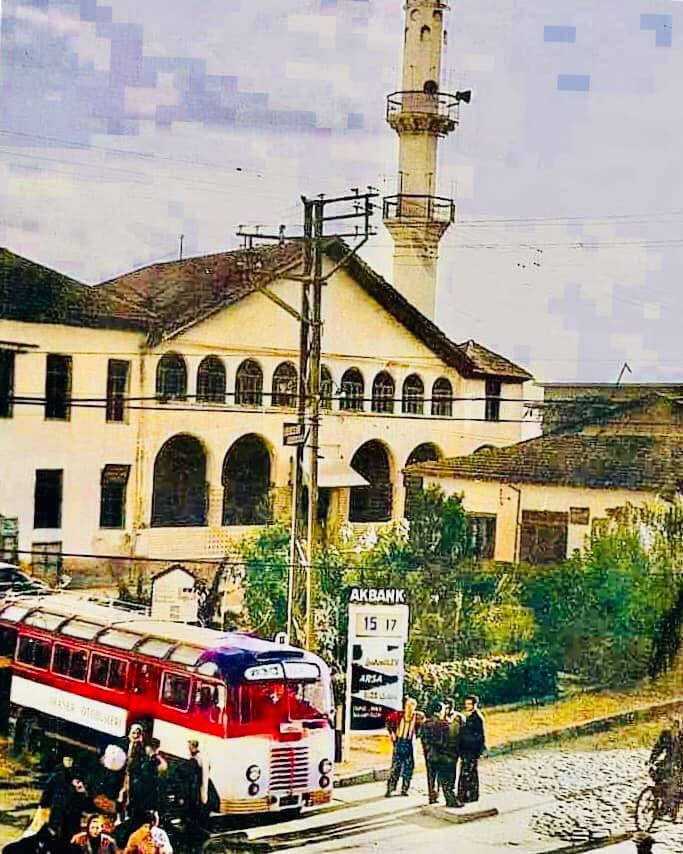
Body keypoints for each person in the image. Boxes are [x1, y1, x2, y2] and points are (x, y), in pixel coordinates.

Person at [40, 755, 92, 844]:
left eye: (70, 760)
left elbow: (86, 805)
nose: (68, 762)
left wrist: (83, 792)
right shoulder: (55, 776)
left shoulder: (78, 778)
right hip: (59, 819)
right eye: (67, 759)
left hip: (70, 820)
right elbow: (45, 799)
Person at [385, 697, 421, 798]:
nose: (410, 708)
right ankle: (390, 789)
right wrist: (392, 733)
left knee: (408, 768)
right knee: (395, 768)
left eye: (412, 706)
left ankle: (404, 789)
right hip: (399, 742)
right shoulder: (398, 715)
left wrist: (417, 736)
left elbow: (422, 727)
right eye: (408, 705)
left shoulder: (417, 717)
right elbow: (388, 721)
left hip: (409, 744)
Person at [648, 717, 683, 816]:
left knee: (674, 785)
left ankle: (668, 807)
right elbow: (658, 748)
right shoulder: (666, 735)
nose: (675, 726)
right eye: (673, 724)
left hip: (680, 765)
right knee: (658, 778)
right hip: (668, 763)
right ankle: (659, 802)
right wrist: (652, 760)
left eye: (677, 724)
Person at [457, 694, 486, 805]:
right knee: (467, 772)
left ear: (475, 705)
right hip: (466, 749)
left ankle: (469, 795)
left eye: (469, 704)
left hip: (472, 750)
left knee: (469, 773)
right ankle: (466, 795)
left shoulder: (477, 718)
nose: (467, 706)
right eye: (466, 704)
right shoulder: (469, 716)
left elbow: (480, 736)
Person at [419, 700, 447, 804]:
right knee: (441, 776)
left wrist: (427, 750)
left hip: (429, 753)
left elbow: (423, 739)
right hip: (440, 753)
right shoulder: (443, 723)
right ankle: (438, 795)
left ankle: (432, 796)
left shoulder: (425, 723)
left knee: (430, 776)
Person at [436, 704, 464, 808]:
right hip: (447, 753)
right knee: (448, 777)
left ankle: (449, 799)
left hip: (446, 753)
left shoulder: (454, 719)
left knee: (447, 777)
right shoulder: (445, 723)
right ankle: (451, 800)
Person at [119, 725, 146, 825]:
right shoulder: (124, 742)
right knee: (120, 794)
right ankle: (119, 815)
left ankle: (126, 815)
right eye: (133, 733)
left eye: (137, 733)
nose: (135, 735)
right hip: (122, 773)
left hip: (132, 776)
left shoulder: (140, 747)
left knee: (129, 796)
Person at [139, 740, 168, 817]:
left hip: (150, 786)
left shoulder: (155, 759)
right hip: (149, 786)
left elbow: (163, 768)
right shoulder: (150, 758)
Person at [185, 740, 210, 827]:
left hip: (196, 788)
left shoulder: (197, 759)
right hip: (198, 786)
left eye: (189, 746)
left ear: (192, 746)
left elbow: (203, 775)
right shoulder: (201, 757)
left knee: (196, 809)